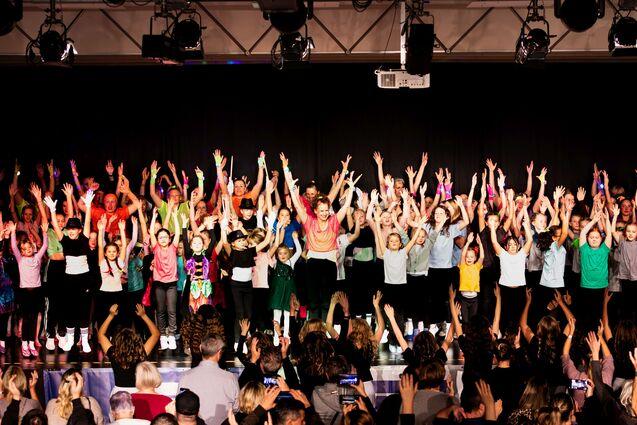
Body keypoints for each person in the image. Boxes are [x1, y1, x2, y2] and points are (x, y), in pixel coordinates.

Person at [178, 334, 239, 425]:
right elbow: (236, 408)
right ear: (219, 352)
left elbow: (180, 407)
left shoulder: (185, 377)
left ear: (200, 348)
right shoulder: (230, 378)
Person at [97, 304, 160, 392]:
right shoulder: (141, 352)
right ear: (136, 340)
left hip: (118, 392)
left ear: (118, 341)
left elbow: (101, 335)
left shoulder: (114, 353)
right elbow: (156, 334)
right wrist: (143, 315)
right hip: (136, 392)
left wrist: (111, 315)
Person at [149, 207, 181, 350]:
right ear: (157, 239)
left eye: (165, 237)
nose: (162, 239)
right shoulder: (155, 248)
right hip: (159, 284)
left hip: (172, 283)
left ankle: (172, 335)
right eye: (160, 237)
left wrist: (174, 216)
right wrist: (153, 217)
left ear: (169, 239)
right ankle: (162, 335)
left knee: (172, 310)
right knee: (161, 310)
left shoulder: (173, 247)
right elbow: (151, 232)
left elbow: (178, 232)